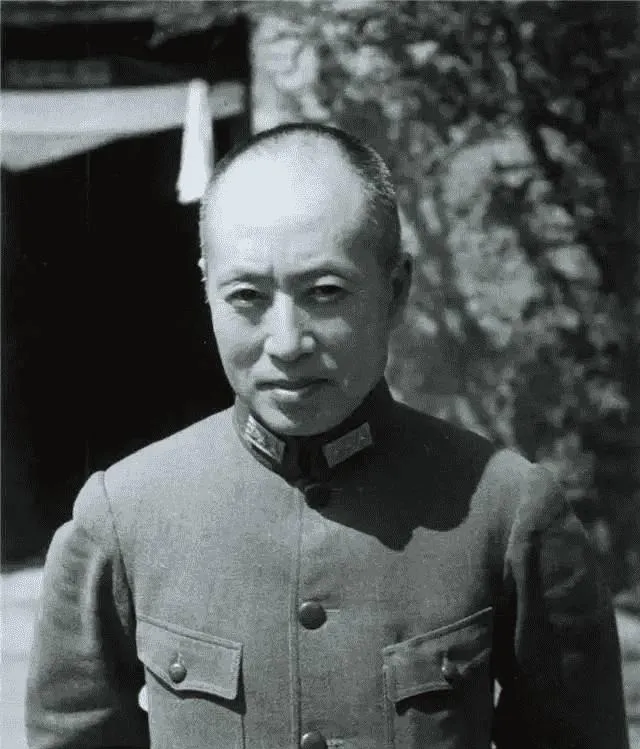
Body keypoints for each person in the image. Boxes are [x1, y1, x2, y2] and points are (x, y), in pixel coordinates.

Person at [26, 123, 629, 749]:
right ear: (206, 289)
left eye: (325, 293)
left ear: (396, 290)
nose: (287, 342)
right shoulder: (124, 514)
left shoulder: (506, 511)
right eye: (247, 296)